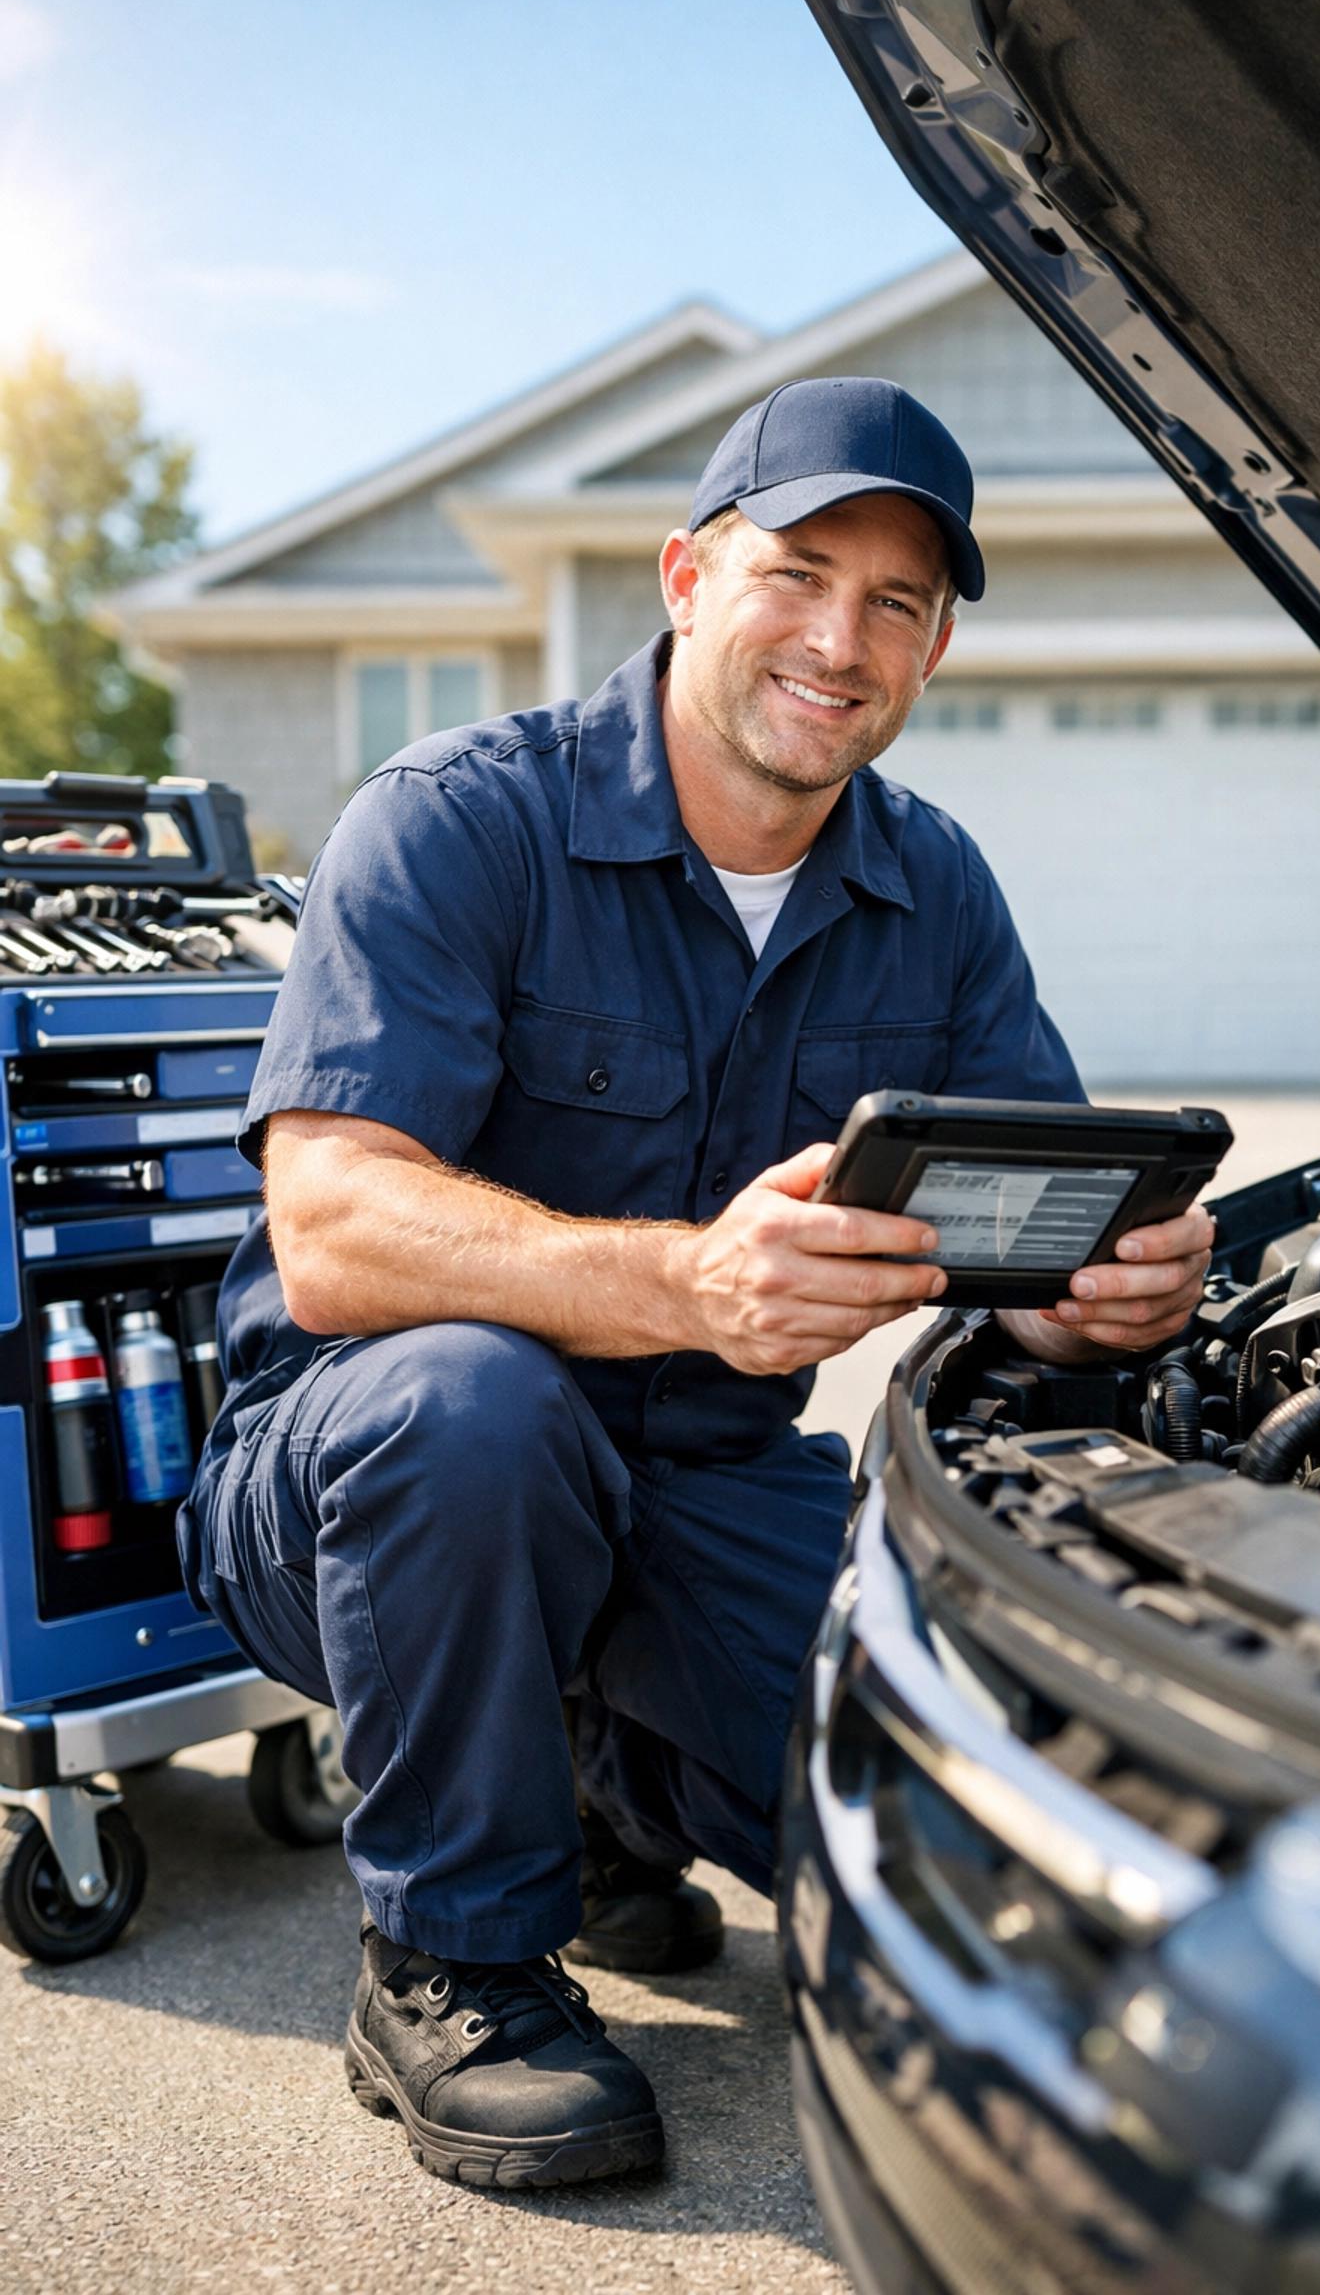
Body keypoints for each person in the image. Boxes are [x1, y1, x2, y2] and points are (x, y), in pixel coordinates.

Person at [179, 377, 1214, 2190]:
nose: (841, 637)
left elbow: (1025, 1235)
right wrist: (686, 1283)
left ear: (940, 644)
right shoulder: (454, 822)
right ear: (682, 575)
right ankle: (453, 1962)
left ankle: (598, 1789)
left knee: (964, 1891)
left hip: (705, 1490)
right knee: (474, 1404)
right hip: (357, 1488)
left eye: (899, 602)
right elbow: (334, 1230)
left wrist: (1096, 1290)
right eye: (799, 572)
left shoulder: (935, 887)